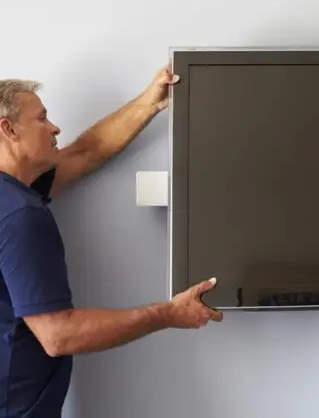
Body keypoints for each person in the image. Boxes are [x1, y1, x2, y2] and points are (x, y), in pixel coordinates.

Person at [0, 65, 222, 418]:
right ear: (8, 129)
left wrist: (150, 102)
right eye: (42, 119)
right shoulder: (18, 214)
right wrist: (168, 313)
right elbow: (59, 336)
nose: (55, 127)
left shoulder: (11, 197)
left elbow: (84, 153)